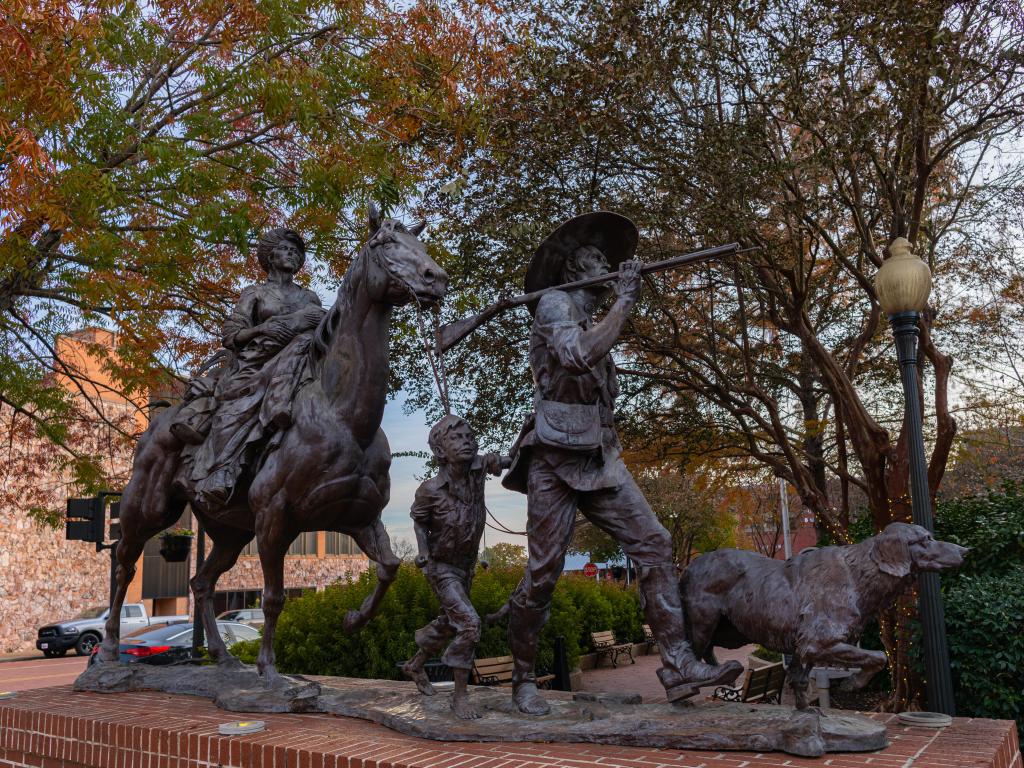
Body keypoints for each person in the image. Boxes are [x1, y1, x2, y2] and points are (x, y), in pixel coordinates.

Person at [501, 211, 743, 715]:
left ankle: (678, 664)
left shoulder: (591, 316)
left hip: (599, 455)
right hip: (554, 456)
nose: (607, 265)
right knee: (544, 572)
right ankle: (523, 679)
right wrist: (628, 302)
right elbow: (575, 356)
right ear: (571, 270)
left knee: (655, 543)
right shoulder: (554, 305)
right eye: (595, 258)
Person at [184, 227, 325, 507]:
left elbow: (324, 332)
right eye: (287, 249)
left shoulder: (309, 298)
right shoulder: (256, 294)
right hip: (255, 363)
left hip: (301, 362)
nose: (293, 255)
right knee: (230, 413)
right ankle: (221, 471)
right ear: (271, 257)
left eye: (297, 252)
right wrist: (266, 328)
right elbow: (231, 335)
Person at [401, 415, 508, 719]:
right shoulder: (430, 490)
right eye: (456, 439)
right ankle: (460, 697)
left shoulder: (478, 470)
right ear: (439, 451)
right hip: (442, 568)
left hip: (466, 566)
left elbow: (510, 459)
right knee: (470, 624)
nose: (466, 442)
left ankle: (415, 665)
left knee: (451, 621)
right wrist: (422, 552)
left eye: (469, 437)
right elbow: (420, 521)